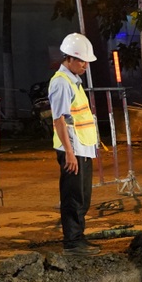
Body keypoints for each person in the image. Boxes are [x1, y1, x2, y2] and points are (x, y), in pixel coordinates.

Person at [49, 33, 100, 256]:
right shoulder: (61, 83)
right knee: (73, 197)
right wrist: (69, 153)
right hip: (72, 150)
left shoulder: (74, 81)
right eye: (81, 61)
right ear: (68, 59)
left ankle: (78, 238)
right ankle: (72, 242)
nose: (85, 65)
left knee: (83, 197)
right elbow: (58, 119)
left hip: (82, 148)